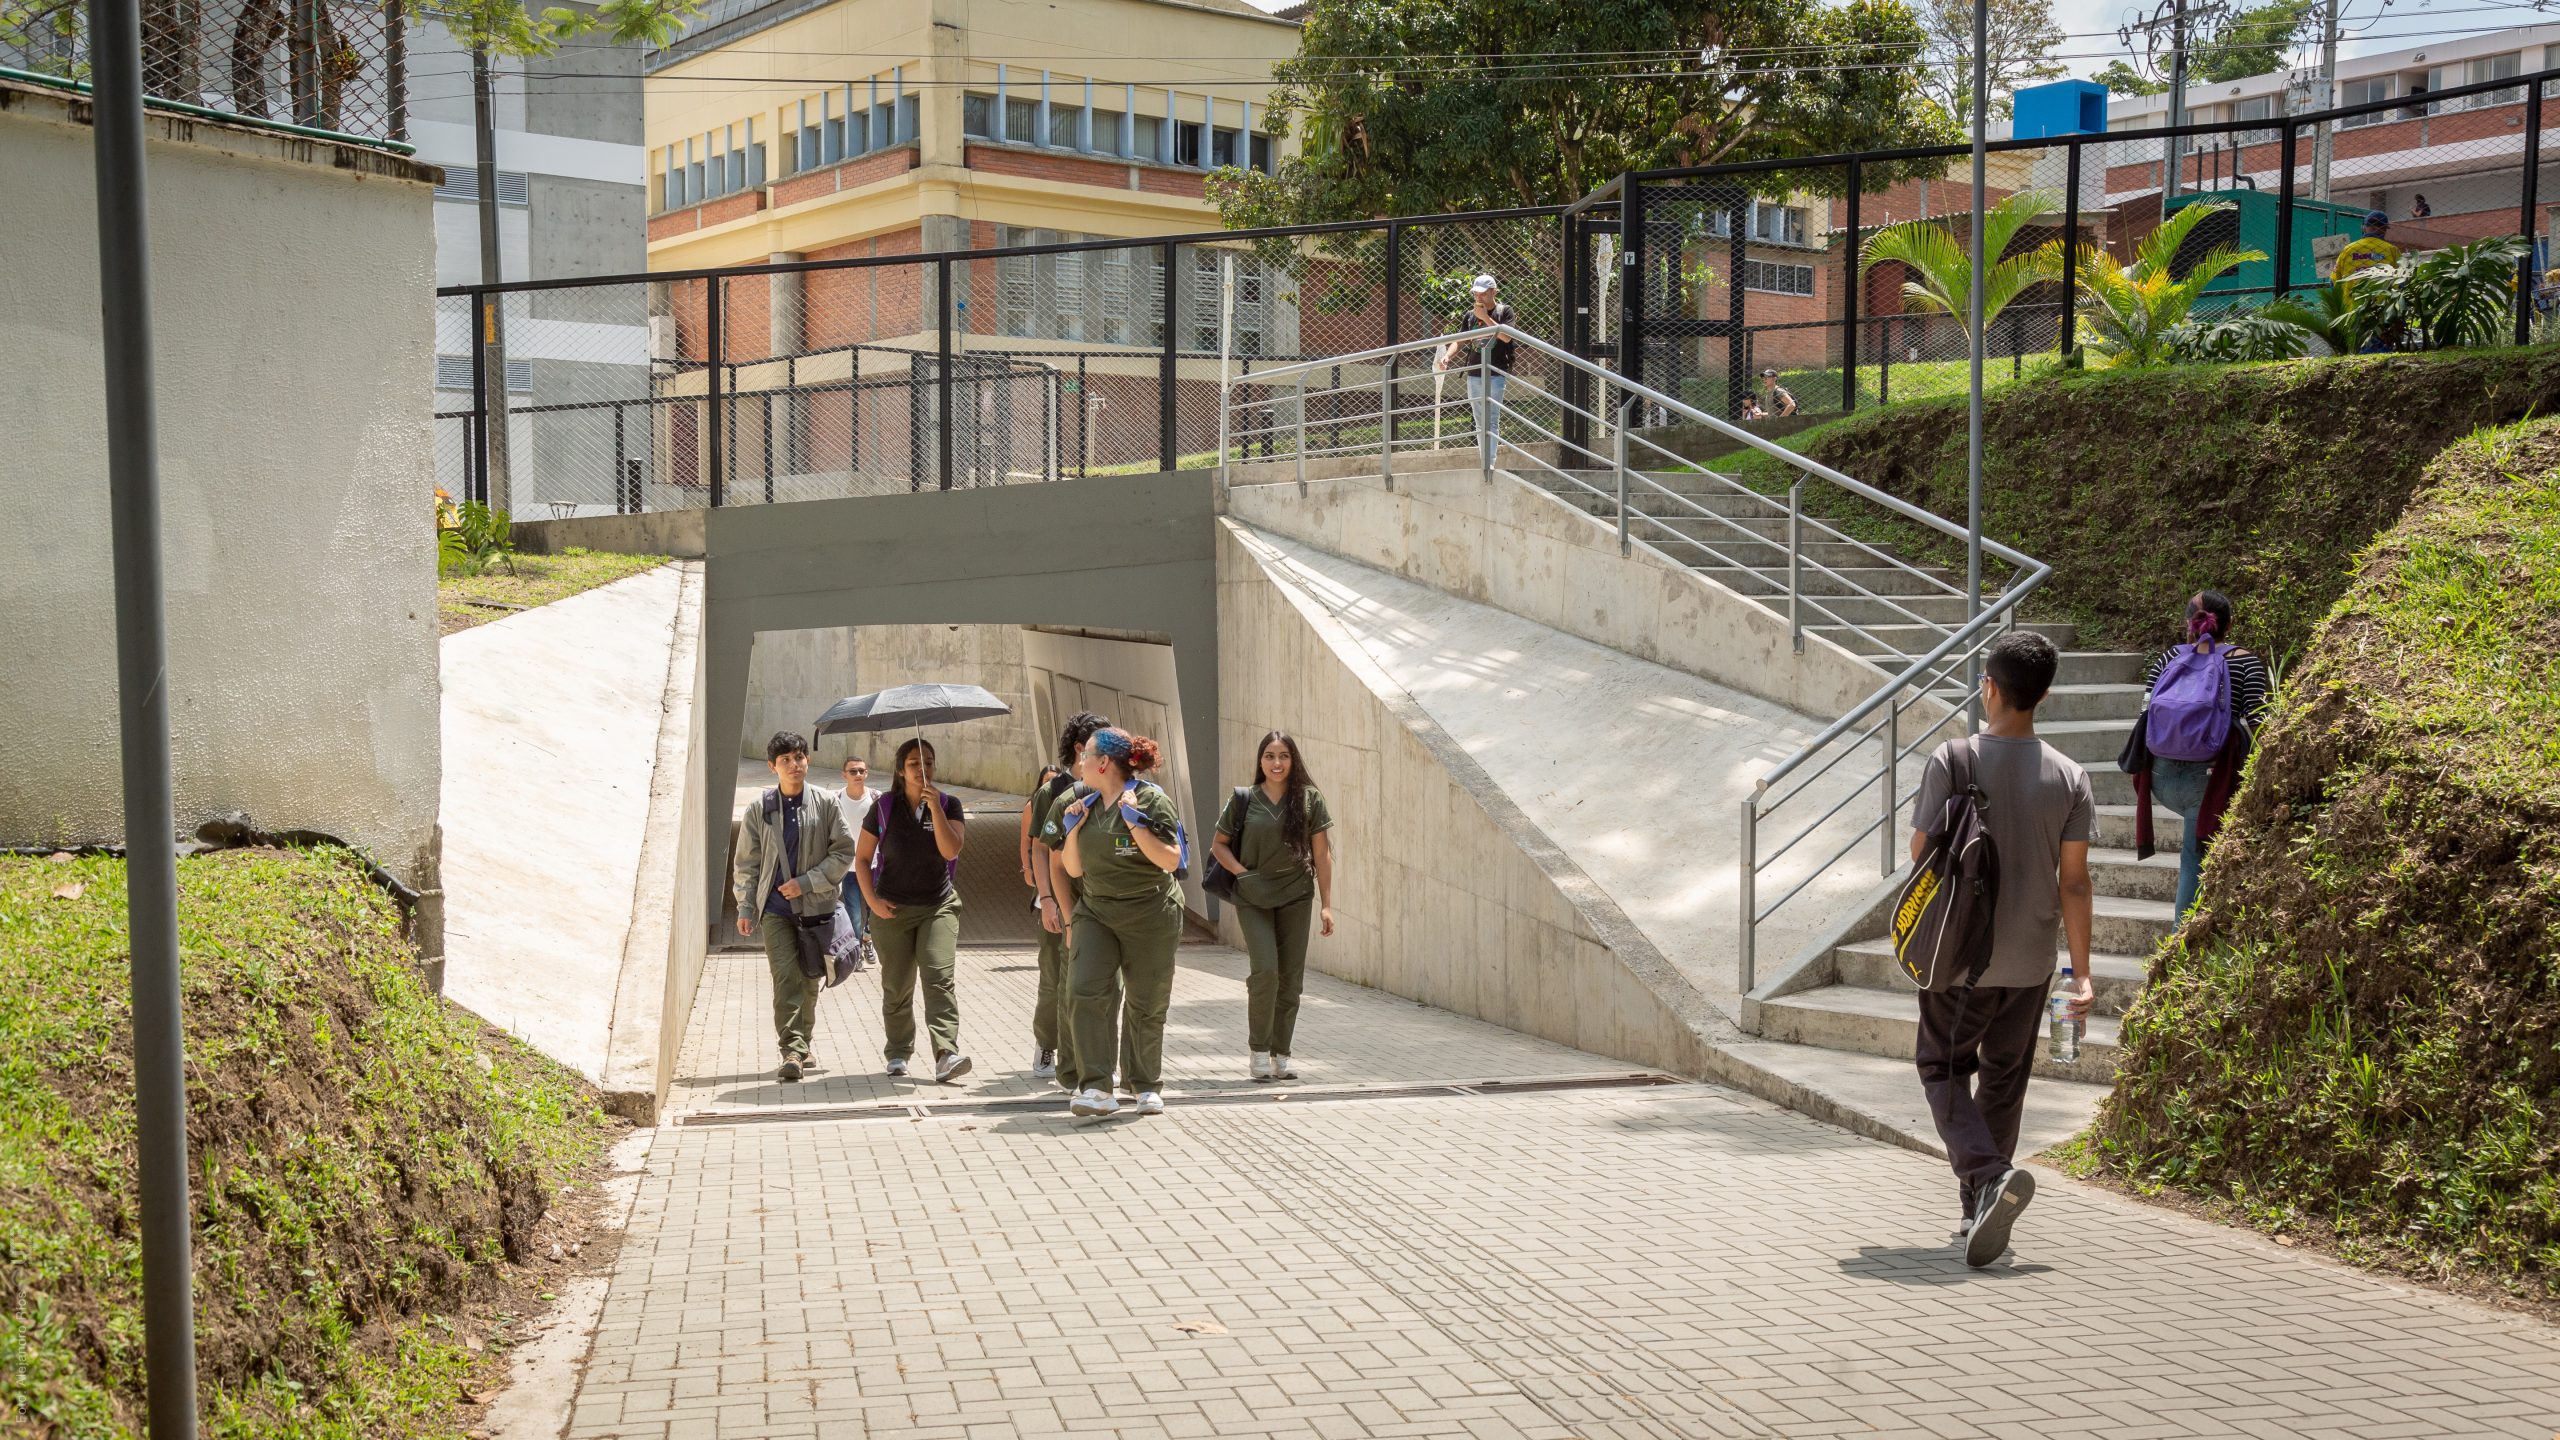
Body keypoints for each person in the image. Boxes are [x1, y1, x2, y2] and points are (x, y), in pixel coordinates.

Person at [1906, 631, 2095, 1269]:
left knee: (1942, 1066)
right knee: (2005, 1080)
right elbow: (2075, 882)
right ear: (2043, 695)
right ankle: (1975, 1210)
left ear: (1990, 687)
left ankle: (1987, 1178)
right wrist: (2082, 974)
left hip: (1961, 956)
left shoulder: (1952, 760)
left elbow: (1920, 856)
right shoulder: (2070, 776)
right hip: (2032, 960)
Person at [1044, 727, 1184, 1119]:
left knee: (1145, 1000)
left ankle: (1145, 1084)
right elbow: (1071, 867)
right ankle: (1095, 1087)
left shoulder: (1150, 800)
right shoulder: (1077, 799)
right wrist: (1072, 832)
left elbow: (1171, 861)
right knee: (1082, 990)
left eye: (1085, 756)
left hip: (1151, 912)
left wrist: (1135, 823)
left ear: (1103, 763)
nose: (1079, 762)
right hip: (1097, 910)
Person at [2133, 591, 2272, 922]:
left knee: (2200, 848)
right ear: (2229, 624)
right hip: (2211, 781)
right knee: (2194, 856)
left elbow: (2144, 711)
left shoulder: (2169, 658)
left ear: (2188, 625)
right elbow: (2258, 721)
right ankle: (2180, 948)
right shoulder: (2246, 662)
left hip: (2161, 778)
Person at [731, 731, 858, 1083]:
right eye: (785, 759)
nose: (794, 764)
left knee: (808, 979)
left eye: (799, 757)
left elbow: (843, 851)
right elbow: (747, 863)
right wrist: (745, 907)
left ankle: (802, 1043)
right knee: (785, 976)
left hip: (816, 907)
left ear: (808, 760)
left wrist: (806, 882)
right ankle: (792, 1049)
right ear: (773, 766)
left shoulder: (826, 803)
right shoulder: (760, 809)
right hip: (774, 910)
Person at [1209, 731, 1335, 1082]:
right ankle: (1259, 1050)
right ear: (1260, 760)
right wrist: (1242, 874)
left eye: (1283, 756)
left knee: (1291, 979)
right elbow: (1218, 845)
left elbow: (1322, 855)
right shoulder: (1243, 800)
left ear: (1293, 761)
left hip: (1296, 896)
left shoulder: (1310, 800)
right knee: (1265, 971)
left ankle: (1282, 1053)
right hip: (1253, 897)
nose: (1276, 763)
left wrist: (1327, 905)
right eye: (1269, 756)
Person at [853, 736, 972, 1083]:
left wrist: (934, 809)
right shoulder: (884, 807)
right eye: (914, 764)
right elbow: (861, 859)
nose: (923, 769)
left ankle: (945, 1053)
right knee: (897, 984)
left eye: (929, 763)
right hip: (893, 908)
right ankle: (898, 1051)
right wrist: (873, 902)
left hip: (938, 905)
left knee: (938, 976)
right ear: (900, 770)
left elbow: (951, 851)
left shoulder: (949, 804)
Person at [1028, 711, 1114, 1087]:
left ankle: (1088, 1058)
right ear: (1081, 749)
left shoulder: (1113, 788)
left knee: (1091, 983)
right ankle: (1050, 1045)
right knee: (1057, 981)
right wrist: (1046, 898)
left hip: (1098, 905)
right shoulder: (1053, 792)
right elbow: (1039, 850)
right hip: (1058, 903)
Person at [1436, 273, 1516, 472]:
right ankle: (1485, 462)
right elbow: (1460, 340)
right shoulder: (1470, 315)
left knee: (1491, 419)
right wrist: (1448, 356)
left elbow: (1506, 337)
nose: (1478, 298)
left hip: (1495, 373)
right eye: (1475, 294)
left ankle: (1489, 463)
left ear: (1492, 292)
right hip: (1474, 373)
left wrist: (1486, 319)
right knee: (1480, 421)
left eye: (1482, 294)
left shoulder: (1504, 311)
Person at [835, 754, 881, 972]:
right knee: (854, 912)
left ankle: (867, 940)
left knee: (874, 910)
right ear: (844, 774)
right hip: (849, 869)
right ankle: (856, 953)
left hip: (874, 867)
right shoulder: (836, 799)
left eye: (862, 771)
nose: (858, 775)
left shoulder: (876, 798)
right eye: (853, 771)